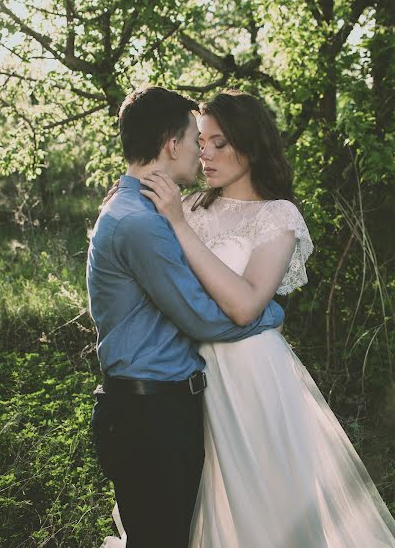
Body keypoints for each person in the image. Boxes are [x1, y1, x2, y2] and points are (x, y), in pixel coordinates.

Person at [137, 90, 395, 547]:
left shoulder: (277, 215)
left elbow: (245, 305)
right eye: (202, 141)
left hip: (251, 376)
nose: (205, 153)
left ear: (250, 145)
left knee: (262, 510)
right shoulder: (191, 204)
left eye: (219, 142)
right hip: (185, 374)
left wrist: (178, 225)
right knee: (189, 505)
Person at [86, 86, 285, 548]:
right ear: (172, 145)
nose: (202, 151)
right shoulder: (141, 221)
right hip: (149, 411)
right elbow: (200, 316)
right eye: (197, 139)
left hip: (178, 401)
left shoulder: (147, 207)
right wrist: (269, 310)